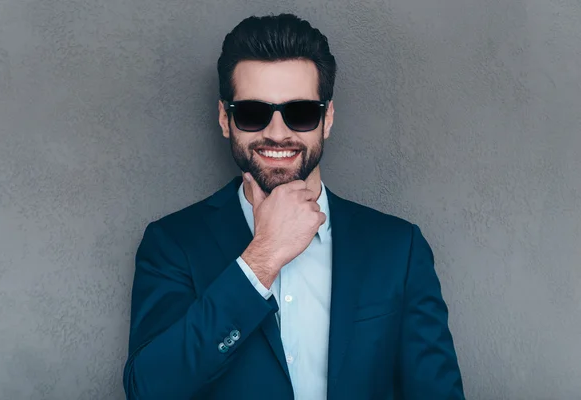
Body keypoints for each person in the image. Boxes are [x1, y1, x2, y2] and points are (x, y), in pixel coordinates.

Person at [123, 13, 464, 400]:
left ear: (327, 118)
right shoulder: (172, 244)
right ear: (225, 118)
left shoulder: (398, 249)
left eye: (300, 113)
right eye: (253, 113)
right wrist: (260, 260)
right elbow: (148, 390)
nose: (278, 132)